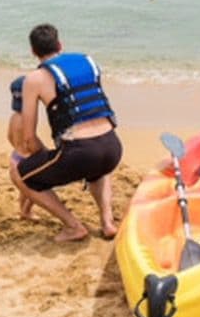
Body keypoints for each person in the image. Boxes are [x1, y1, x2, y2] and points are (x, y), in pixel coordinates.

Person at [9, 24, 123, 242]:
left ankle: (73, 226)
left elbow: (28, 136)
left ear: (33, 51)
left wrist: (43, 156)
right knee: (97, 169)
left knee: (18, 173)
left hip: (80, 153)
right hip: (113, 147)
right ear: (60, 45)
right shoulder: (88, 61)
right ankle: (107, 222)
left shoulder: (34, 79)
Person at [7, 76, 37, 220]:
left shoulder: (14, 117)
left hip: (15, 157)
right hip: (26, 159)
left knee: (24, 190)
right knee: (37, 187)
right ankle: (26, 211)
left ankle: (22, 210)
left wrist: (17, 147)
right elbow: (30, 140)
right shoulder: (28, 118)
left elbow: (9, 136)